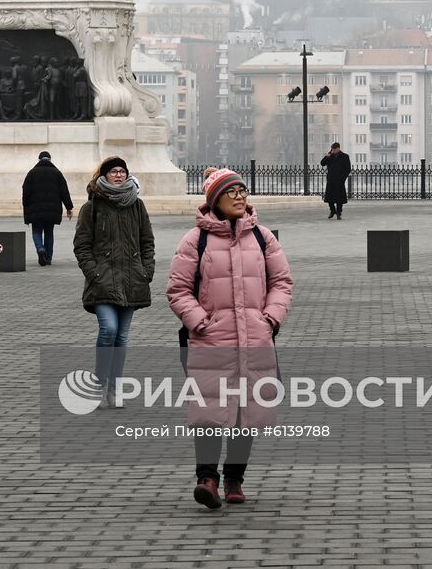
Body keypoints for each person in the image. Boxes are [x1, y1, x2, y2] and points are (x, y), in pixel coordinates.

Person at [167, 167, 294, 509]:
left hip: (255, 336)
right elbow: (178, 289)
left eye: (242, 191)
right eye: (231, 192)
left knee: (246, 411)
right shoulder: (196, 240)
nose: (240, 197)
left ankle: (234, 477)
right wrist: (200, 321)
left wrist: (271, 318)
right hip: (211, 338)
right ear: (215, 200)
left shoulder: (263, 237)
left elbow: (282, 282)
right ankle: (207, 478)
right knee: (208, 409)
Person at [73, 155, 154, 407]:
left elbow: (147, 242)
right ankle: (99, 386)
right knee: (108, 329)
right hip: (103, 281)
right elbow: (82, 246)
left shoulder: (137, 205)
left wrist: (146, 271)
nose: (118, 175)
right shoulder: (92, 207)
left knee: (122, 337)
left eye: (122, 171)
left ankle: (115, 389)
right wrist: (94, 273)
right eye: (113, 171)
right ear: (104, 175)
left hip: (132, 280)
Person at [22, 150, 74, 266]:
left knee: (36, 231)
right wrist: (69, 208)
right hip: (52, 210)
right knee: (49, 232)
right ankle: (48, 258)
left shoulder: (32, 173)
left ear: (39, 159)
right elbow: (64, 191)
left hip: (35, 209)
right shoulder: (57, 173)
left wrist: (26, 206)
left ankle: (40, 249)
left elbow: (26, 191)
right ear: (50, 159)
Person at [319, 142, 351, 219]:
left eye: (334, 149)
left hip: (340, 181)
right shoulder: (330, 156)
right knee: (330, 198)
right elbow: (322, 163)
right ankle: (332, 211)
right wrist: (327, 156)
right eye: (332, 149)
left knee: (339, 199)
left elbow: (348, 169)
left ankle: (339, 213)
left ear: (338, 148)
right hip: (331, 180)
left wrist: (342, 179)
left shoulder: (345, 157)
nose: (333, 151)